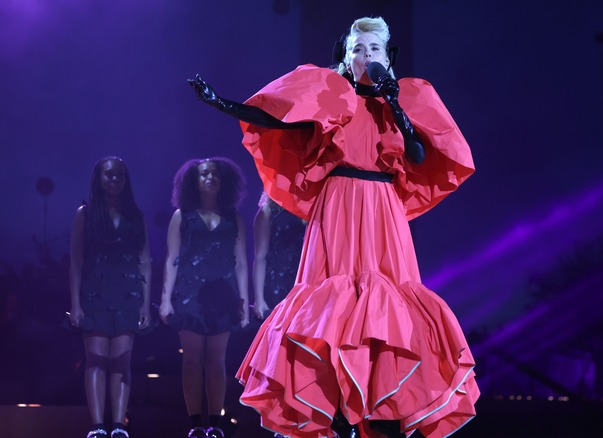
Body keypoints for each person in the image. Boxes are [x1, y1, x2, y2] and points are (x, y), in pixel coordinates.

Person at [189, 16, 478, 438]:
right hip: (339, 203)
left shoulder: (408, 97)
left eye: (374, 49)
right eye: (357, 50)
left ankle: (383, 406)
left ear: (386, 55)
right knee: (333, 303)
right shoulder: (330, 94)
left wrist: (395, 104)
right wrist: (222, 103)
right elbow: (277, 120)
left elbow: (417, 155)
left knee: (387, 303)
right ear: (346, 56)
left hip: (382, 209)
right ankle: (336, 407)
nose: (366, 57)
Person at [159, 158, 250, 438]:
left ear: (223, 181)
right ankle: (195, 422)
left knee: (217, 361)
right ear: (193, 181)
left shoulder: (232, 217)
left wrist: (244, 302)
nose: (210, 178)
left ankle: (216, 423)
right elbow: (172, 258)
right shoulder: (181, 216)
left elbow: (240, 262)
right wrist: (165, 299)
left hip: (223, 294)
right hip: (189, 294)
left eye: (214, 174)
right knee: (191, 360)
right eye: (203, 174)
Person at [68, 156, 151, 438]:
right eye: (109, 175)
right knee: (96, 359)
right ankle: (97, 426)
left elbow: (145, 259)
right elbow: (76, 261)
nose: (114, 180)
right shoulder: (85, 213)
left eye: (120, 176)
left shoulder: (135, 215)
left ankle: (118, 425)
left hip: (128, 293)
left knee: (121, 360)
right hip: (95, 291)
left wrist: (145, 303)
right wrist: (76, 304)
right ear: (99, 178)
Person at [250, 192, 307, 320]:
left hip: (305, 279)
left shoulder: (310, 205)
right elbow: (260, 257)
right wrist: (259, 299)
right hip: (277, 282)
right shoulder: (268, 210)